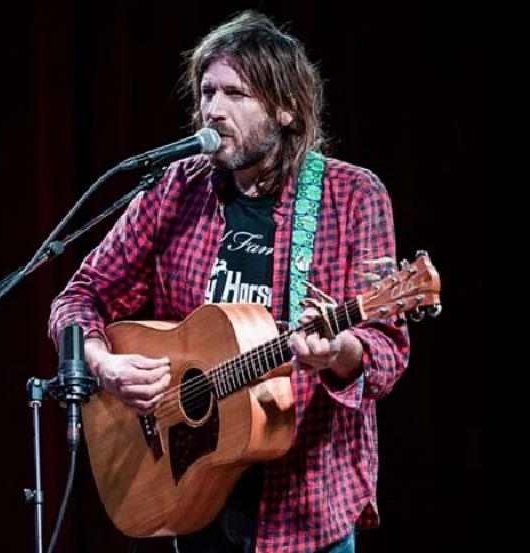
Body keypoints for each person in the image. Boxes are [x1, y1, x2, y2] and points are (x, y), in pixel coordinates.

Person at [47, 9, 410, 553]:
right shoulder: (176, 189)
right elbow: (81, 296)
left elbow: (386, 351)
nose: (212, 111)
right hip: (192, 487)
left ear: (287, 109)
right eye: (206, 92)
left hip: (306, 506)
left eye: (235, 94)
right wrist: (104, 364)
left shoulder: (352, 197)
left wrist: (338, 349)